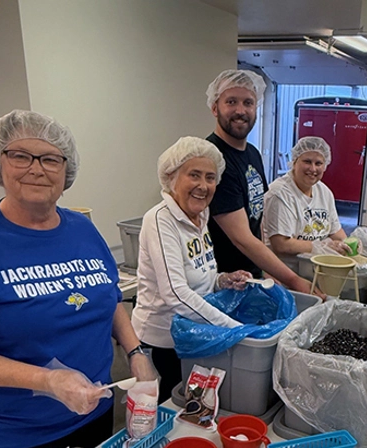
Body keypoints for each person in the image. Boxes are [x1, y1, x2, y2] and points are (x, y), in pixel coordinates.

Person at [0, 110, 157, 448]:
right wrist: (47, 380)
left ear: (66, 169)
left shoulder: (81, 228)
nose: (36, 169)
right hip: (18, 439)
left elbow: (109, 297)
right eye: (20, 156)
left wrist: (135, 353)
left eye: (50, 158)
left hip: (94, 417)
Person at [132, 136, 251, 403]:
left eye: (210, 177)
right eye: (194, 175)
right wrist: (233, 329)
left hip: (192, 332)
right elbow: (175, 292)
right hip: (162, 340)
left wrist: (222, 280)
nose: (203, 185)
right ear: (172, 177)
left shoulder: (200, 215)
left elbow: (199, 273)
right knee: (168, 404)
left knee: (194, 404)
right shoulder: (161, 220)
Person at [205, 69, 318, 296]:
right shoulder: (214, 158)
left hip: (250, 277)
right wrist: (294, 280)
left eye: (248, 102)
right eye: (231, 102)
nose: (240, 110)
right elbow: (242, 239)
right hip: (225, 283)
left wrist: (265, 270)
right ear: (215, 108)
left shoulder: (252, 154)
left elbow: (256, 220)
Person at [262, 136, 350, 270]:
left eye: (318, 163)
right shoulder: (280, 194)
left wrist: (349, 244)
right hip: (287, 273)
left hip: (317, 269)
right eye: (307, 161)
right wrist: (321, 246)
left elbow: (335, 231)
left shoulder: (324, 192)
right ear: (294, 162)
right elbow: (281, 245)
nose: (313, 169)